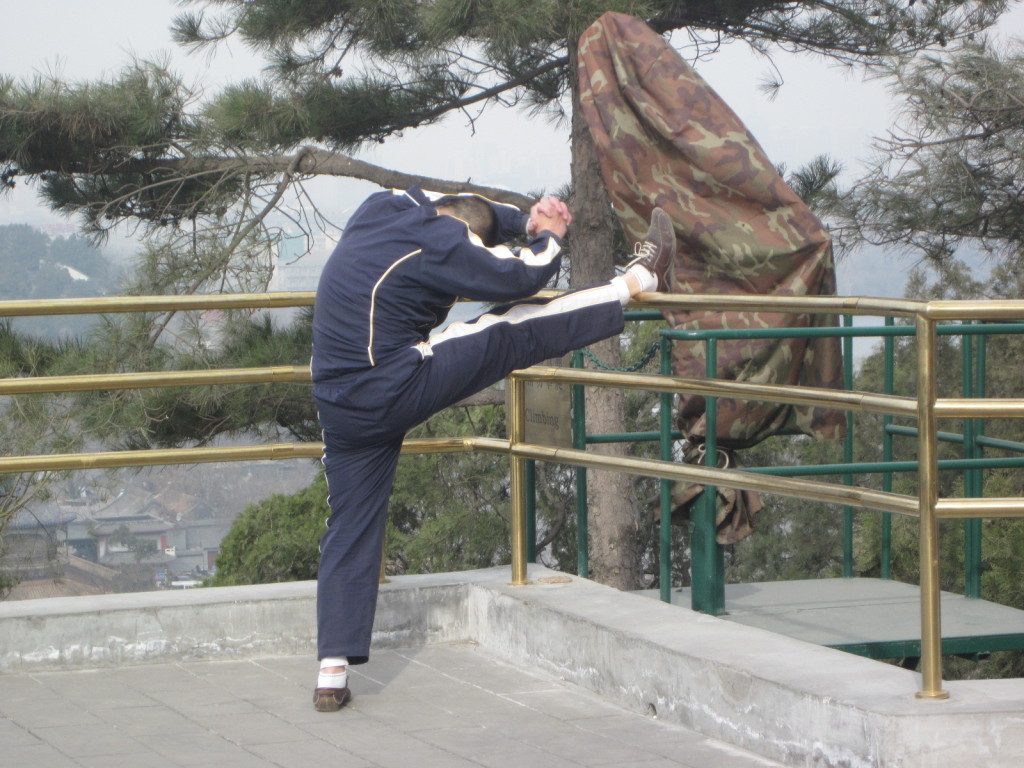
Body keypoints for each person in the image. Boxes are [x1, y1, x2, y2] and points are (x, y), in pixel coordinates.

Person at [310, 185, 674, 712]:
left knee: (350, 523)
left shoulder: (381, 207)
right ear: (462, 237)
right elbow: (524, 277)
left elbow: (452, 198)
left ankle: (331, 671)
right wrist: (547, 235)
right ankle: (640, 279)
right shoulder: (443, 243)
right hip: (389, 384)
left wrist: (520, 220)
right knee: (512, 328)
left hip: (335, 399)